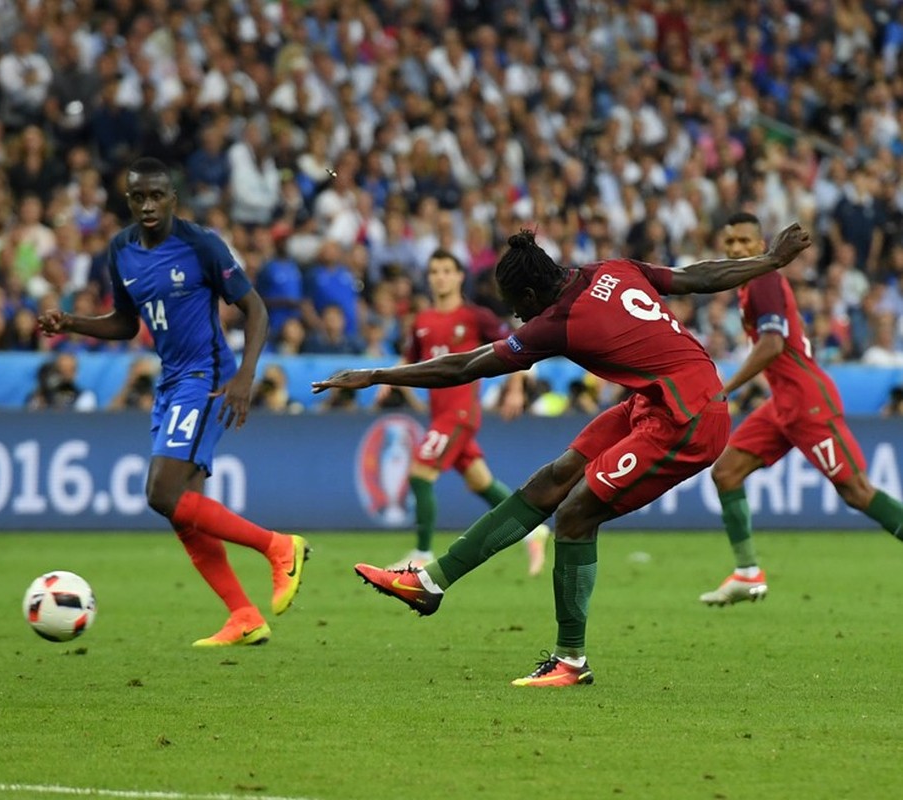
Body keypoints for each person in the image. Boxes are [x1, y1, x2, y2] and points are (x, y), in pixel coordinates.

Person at [312, 223, 812, 687]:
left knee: (575, 514)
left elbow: (465, 367)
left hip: (689, 418)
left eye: (515, 305)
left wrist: (377, 375)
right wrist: (769, 259)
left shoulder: (557, 323)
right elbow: (696, 277)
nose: (515, 316)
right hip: (655, 400)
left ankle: (570, 659)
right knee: (552, 480)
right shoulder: (611, 269)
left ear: (530, 295)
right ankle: (430, 581)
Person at [38, 157, 308, 647]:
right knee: (181, 507)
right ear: (128, 199)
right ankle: (243, 615)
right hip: (172, 381)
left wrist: (246, 376)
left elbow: (256, 309)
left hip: (206, 379)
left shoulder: (199, 244)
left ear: (172, 199)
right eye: (138, 197)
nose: (147, 205)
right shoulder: (120, 250)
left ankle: (279, 546)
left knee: (162, 493)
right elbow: (125, 322)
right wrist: (73, 323)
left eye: (156, 196)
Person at [701, 213, 903, 605]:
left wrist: (725, 388)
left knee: (857, 491)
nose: (737, 249)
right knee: (726, 472)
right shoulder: (748, 286)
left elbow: (773, 344)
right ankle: (746, 573)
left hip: (808, 401)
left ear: (761, 246)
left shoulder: (763, 280)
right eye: (731, 243)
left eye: (745, 241)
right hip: (783, 405)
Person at [382, 248, 550, 576]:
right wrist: (386, 378)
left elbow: (517, 345)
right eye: (434, 271)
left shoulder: (475, 317)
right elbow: (411, 360)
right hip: (439, 414)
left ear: (460, 276)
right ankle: (533, 530)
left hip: (459, 413)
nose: (440, 277)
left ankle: (421, 553)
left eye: (446, 270)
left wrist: (515, 388)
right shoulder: (422, 321)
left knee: (420, 473)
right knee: (481, 482)